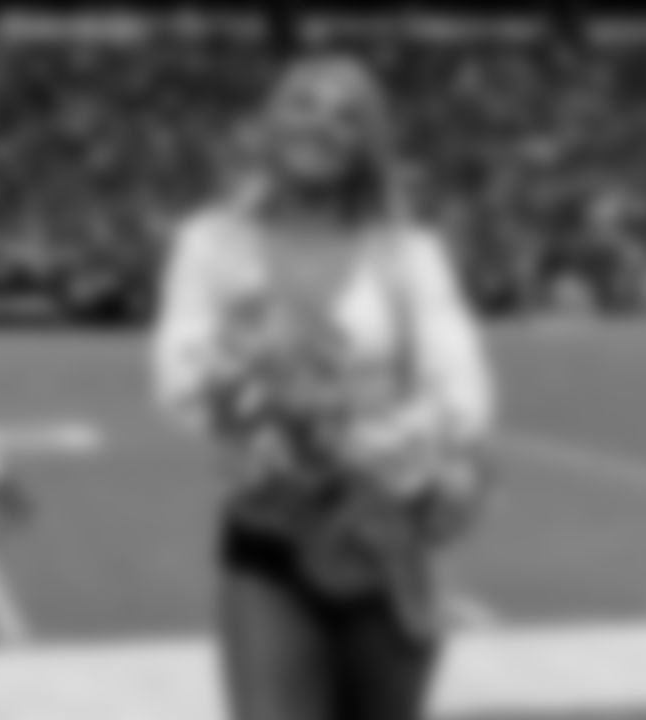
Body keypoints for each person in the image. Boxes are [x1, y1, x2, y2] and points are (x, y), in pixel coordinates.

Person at [151, 54, 495, 720]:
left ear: (369, 143)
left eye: (347, 115)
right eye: (303, 104)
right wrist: (251, 391)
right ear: (269, 121)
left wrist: (381, 443)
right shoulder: (211, 244)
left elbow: (463, 390)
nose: (322, 124)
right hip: (268, 542)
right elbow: (179, 378)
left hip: (383, 546)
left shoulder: (409, 253)